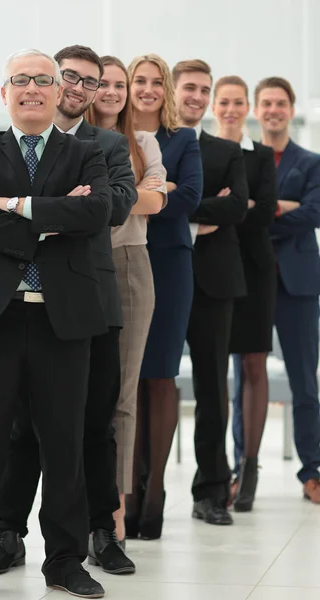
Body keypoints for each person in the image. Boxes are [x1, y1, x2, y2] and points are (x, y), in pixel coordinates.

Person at [0, 48, 112, 600]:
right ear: (3, 92)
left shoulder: (85, 154)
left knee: (64, 447)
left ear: (59, 93)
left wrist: (17, 206)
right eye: (20, 80)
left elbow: (96, 212)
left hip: (64, 318)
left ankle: (64, 561)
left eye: (42, 80)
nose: (32, 88)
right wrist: (51, 216)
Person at [0, 45, 138, 578]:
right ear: (54, 81)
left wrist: (36, 209)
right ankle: (8, 532)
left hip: (90, 299)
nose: (79, 88)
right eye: (70, 77)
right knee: (20, 426)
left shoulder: (107, 143)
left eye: (90, 82)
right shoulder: (9, 144)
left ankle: (102, 531)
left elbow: (115, 206)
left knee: (94, 422)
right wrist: (67, 206)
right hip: (20, 300)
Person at [87, 55, 167, 551]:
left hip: (131, 265)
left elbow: (157, 200)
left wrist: (96, 196)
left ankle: (113, 511)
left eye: (120, 84)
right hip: (76, 268)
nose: (113, 92)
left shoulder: (143, 143)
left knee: (123, 394)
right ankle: (73, 507)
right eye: (105, 84)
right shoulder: (72, 142)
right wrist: (126, 194)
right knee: (75, 395)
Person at [125, 54, 203, 540]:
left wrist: (147, 191)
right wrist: (156, 188)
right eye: (141, 81)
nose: (149, 89)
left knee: (159, 376)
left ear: (167, 90)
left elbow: (191, 196)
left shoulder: (183, 139)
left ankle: (154, 495)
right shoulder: (113, 133)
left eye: (158, 82)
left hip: (170, 264)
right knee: (127, 378)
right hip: (122, 261)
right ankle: (126, 494)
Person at [233, 77, 320, 505]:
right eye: (266, 103)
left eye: (280, 103)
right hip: (250, 278)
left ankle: (312, 471)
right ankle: (240, 470)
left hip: (298, 284)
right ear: (256, 109)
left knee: (305, 382)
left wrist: (263, 209)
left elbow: (315, 214)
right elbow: (237, 209)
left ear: (291, 109)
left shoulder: (311, 161)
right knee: (244, 379)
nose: (272, 110)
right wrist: (286, 206)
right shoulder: (243, 157)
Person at [173, 59, 248, 526]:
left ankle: (212, 492)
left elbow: (237, 206)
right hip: (162, 275)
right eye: (189, 88)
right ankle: (137, 492)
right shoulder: (153, 145)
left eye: (205, 89)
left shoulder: (225, 150)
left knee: (211, 390)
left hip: (215, 282)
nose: (198, 97)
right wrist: (203, 207)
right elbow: (140, 201)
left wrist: (177, 200)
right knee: (148, 388)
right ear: (171, 90)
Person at [212, 75, 277, 511]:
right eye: (225, 102)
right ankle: (216, 470)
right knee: (215, 370)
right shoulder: (203, 149)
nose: (232, 109)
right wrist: (239, 203)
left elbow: (265, 210)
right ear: (214, 106)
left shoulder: (262, 155)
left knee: (254, 366)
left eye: (239, 102)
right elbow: (201, 203)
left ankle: (248, 467)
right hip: (213, 268)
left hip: (254, 270)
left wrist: (230, 205)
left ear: (248, 106)